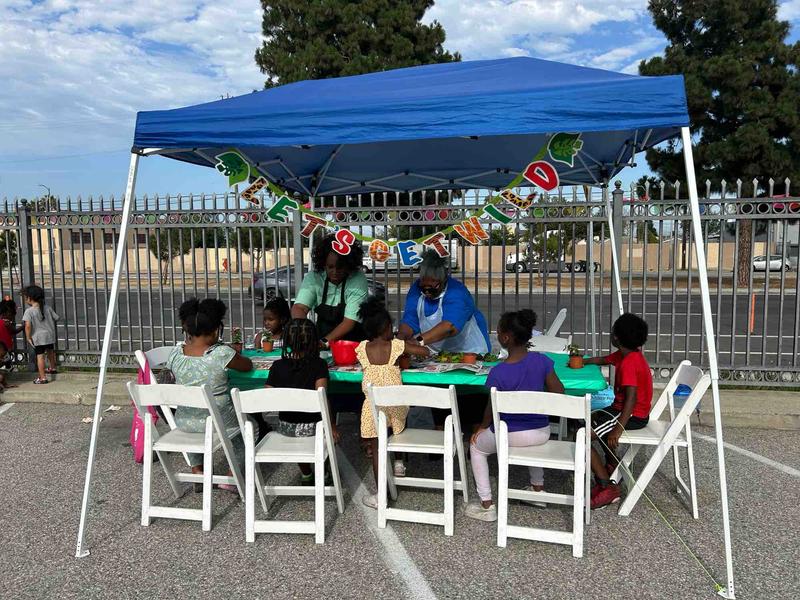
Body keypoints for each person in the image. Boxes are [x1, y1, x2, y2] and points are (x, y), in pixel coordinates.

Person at [465, 309, 564, 522]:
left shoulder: (498, 372)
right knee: (533, 446)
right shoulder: (542, 361)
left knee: (476, 447)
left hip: (509, 434)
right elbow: (559, 392)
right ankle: (537, 490)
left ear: (506, 337)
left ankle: (486, 504)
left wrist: (482, 426)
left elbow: (491, 407)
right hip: (540, 432)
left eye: (499, 331)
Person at [166, 298, 253, 489]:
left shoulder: (175, 354)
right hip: (218, 419)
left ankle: (198, 471)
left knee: (193, 427)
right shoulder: (221, 353)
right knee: (248, 427)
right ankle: (232, 476)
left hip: (185, 420)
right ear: (216, 331)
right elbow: (247, 366)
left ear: (188, 330)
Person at [354, 297, 431, 509]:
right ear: (387, 328)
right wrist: (413, 347)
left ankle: (380, 494)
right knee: (397, 432)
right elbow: (424, 352)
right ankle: (398, 464)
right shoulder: (397, 345)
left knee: (377, 447)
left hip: (373, 407)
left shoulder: (361, 348)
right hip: (396, 407)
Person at [584, 313, 652, 509]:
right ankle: (612, 464)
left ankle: (606, 485)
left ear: (616, 338)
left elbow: (631, 399)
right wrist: (583, 361)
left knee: (584, 433)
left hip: (631, 415)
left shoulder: (630, 363)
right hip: (622, 410)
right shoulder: (628, 354)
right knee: (587, 419)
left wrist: (618, 428)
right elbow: (603, 359)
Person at [265, 318, 340, 484]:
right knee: (328, 432)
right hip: (314, 428)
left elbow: (268, 397)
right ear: (314, 341)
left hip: (286, 428)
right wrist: (332, 425)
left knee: (298, 438)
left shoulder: (277, 366)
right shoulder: (319, 365)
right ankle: (324, 470)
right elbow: (322, 396)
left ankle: (306, 473)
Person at [397, 250, 490, 355]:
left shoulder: (457, 292)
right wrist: (400, 340)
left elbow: (448, 327)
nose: (427, 291)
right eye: (424, 285)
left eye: (432, 285)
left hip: (469, 351)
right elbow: (410, 321)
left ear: (443, 279)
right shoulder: (416, 290)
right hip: (437, 353)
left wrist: (417, 342)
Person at [291, 233, 369, 346]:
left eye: (340, 267)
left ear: (349, 265)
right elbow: (299, 307)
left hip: (351, 342)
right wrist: (304, 331)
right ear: (323, 264)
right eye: (330, 267)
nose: (335, 271)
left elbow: (349, 321)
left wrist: (324, 342)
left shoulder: (357, 279)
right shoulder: (314, 278)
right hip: (321, 336)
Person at [21, 285, 59, 385]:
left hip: (38, 338)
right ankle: (52, 367)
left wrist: (28, 337)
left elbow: (27, 326)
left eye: (25, 297)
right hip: (49, 335)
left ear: (30, 298)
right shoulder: (47, 308)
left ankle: (42, 378)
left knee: (40, 356)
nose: (25, 299)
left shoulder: (29, 311)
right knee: (50, 352)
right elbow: (56, 317)